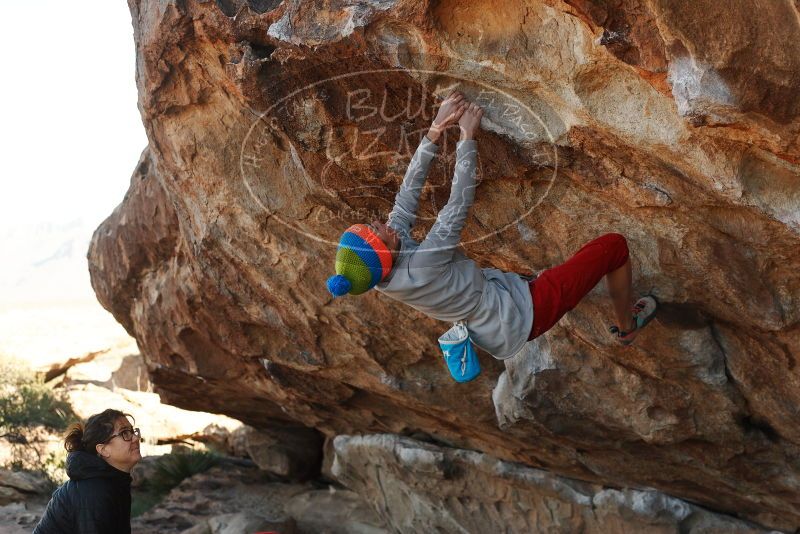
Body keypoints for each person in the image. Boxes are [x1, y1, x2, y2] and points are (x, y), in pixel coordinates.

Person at [326, 91, 657, 360]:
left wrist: (437, 128)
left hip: (502, 307)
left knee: (587, 264)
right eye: (377, 231)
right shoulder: (420, 268)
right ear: (383, 253)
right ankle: (627, 325)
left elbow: (406, 198)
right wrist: (468, 136)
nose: (381, 223)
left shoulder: (382, 271)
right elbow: (457, 205)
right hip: (526, 313)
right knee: (614, 246)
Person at [33, 409, 142, 534]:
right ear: (103, 449)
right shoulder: (94, 490)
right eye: (125, 433)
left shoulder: (114, 481)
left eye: (133, 431)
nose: (135, 438)